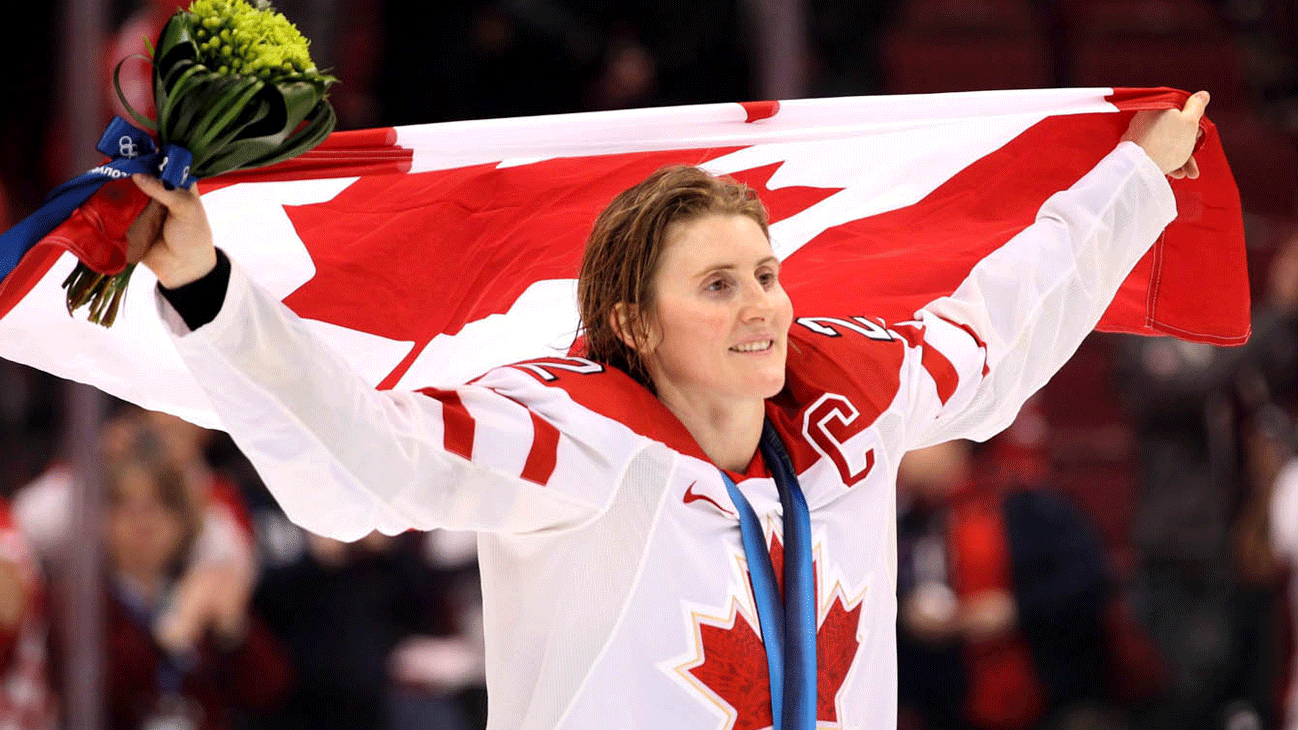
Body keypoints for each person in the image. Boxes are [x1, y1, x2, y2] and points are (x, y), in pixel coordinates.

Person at [120, 91, 1210, 730]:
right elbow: (373, 456)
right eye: (718, 284)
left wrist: (1133, 180)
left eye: (766, 272)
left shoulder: (849, 405)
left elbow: (997, 329)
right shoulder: (569, 436)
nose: (762, 309)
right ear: (633, 325)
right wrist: (212, 294)